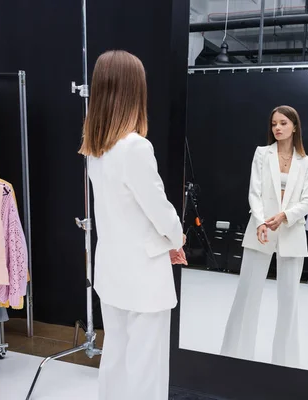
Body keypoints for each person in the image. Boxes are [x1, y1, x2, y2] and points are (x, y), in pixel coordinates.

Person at [78, 50, 184, 400]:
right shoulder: (135, 147)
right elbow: (159, 209)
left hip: (112, 271)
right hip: (143, 277)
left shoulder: (96, 149)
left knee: (116, 362)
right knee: (146, 373)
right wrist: (176, 236)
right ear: (134, 91)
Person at [221, 105, 308, 369]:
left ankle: (285, 365)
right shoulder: (262, 154)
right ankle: (236, 358)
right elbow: (255, 192)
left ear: (295, 126)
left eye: (283, 123)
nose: (278, 128)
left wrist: (284, 216)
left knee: (290, 302)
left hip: (292, 232)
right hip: (260, 230)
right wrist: (262, 221)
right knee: (248, 294)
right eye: (274, 123)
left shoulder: (305, 162)